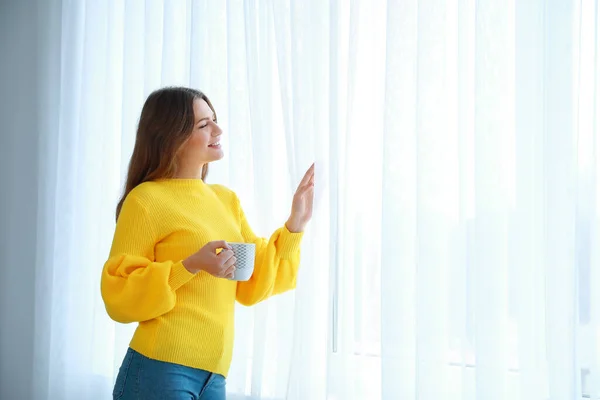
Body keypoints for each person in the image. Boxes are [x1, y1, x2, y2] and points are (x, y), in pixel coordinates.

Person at [101, 87, 314, 400]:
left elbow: (253, 282)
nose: (218, 130)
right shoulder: (146, 201)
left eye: (214, 120)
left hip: (214, 377)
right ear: (171, 136)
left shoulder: (225, 200)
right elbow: (118, 290)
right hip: (161, 369)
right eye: (204, 125)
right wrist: (190, 265)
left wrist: (296, 223)